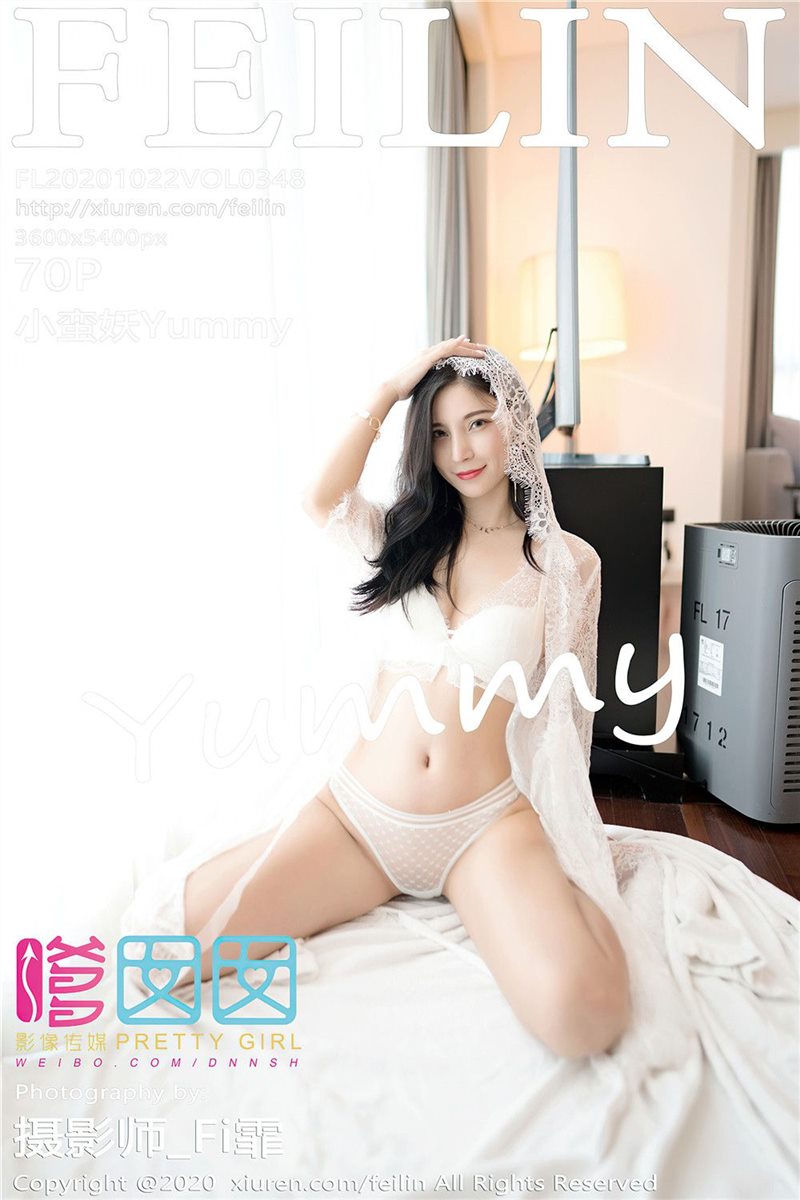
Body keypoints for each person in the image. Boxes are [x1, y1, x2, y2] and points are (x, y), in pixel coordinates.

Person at [121, 341, 798, 1169]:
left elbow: (564, 723)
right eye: (439, 432)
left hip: (484, 826)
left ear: (515, 423)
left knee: (586, 1015)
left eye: (479, 422)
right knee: (156, 949)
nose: (462, 450)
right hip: (357, 820)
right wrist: (391, 388)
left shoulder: (566, 564)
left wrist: (569, 854)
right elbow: (318, 498)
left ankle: (555, 909)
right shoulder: (399, 537)